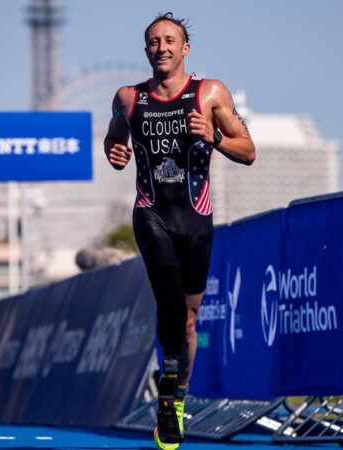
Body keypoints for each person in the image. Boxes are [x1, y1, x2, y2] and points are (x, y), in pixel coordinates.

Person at [104, 12, 255, 448]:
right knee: (168, 300)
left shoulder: (210, 93)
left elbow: (248, 151)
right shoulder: (128, 98)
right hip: (151, 214)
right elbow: (114, 140)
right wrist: (115, 152)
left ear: (185, 48)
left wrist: (214, 137)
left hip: (196, 221)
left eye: (170, 40)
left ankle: (177, 398)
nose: (162, 47)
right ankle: (166, 392)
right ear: (146, 50)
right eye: (154, 41)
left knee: (188, 320)